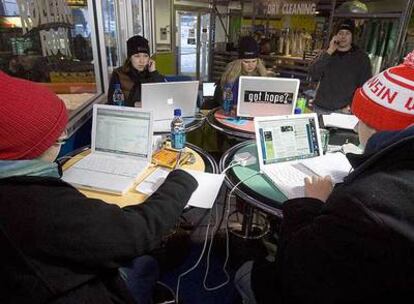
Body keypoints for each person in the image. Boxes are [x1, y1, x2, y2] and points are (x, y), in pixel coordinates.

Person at [0, 71, 198, 303]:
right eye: (57, 135)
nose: (64, 135)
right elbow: (135, 233)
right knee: (147, 262)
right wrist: (182, 180)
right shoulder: (36, 205)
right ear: (32, 146)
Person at [235, 50, 414, 304]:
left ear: (372, 126)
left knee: (245, 272)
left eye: (359, 118)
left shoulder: (363, 203)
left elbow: (296, 270)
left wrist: (312, 204)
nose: (355, 125)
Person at [309, 19, 372, 114]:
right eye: (340, 33)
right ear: (335, 36)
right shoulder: (327, 53)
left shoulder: (361, 58)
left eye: (347, 33)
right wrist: (329, 51)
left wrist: (351, 105)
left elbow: (364, 86)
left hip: (343, 111)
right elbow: (314, 74)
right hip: (320, 107)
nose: (343, 36)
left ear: (352, 36)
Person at [206, 36, 270, 110]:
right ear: (239, 62)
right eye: (246, 62)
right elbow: (220, 101)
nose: (251, 65)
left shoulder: (262, 77)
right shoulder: (229, 78)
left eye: (254, 61)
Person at [108, 35, 165, 107]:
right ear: (130, 58)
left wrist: (154, 73)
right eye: (137, 56)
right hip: (128, 114)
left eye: (145, 56)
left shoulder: (151, 72)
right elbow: (112, 102)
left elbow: (164, 94)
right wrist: (134, 104)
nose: (142, 61)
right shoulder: (119, 74)